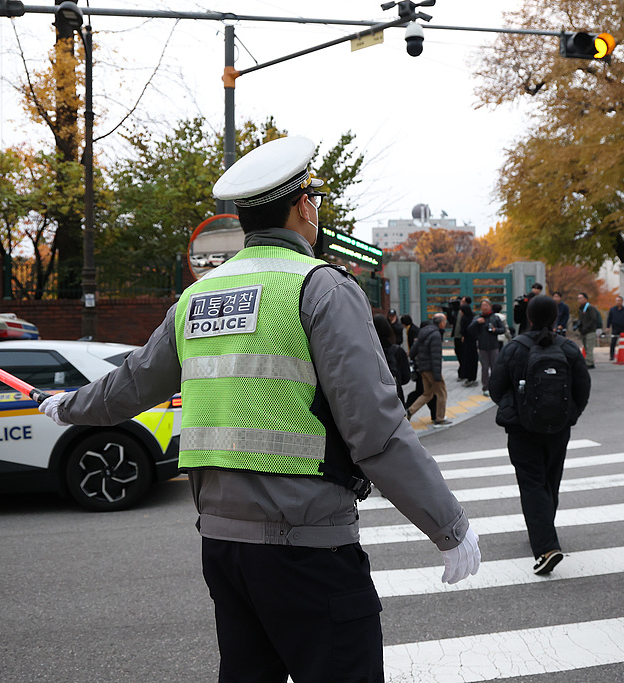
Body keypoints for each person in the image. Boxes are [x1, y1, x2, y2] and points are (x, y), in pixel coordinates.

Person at [37, 136, 479, 681]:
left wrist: (65, 406)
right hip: (310, 549)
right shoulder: (320, 288)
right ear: (303, 207)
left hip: (223, 549)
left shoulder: (200, 295)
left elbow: (128, 386)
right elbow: (377, 430)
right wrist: (449, 526)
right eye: (315, 200)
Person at [489, 295, 590, 575]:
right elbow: (583, 389)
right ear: (557, 317)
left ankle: (546, 546)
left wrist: (519, 407)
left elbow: (495, 388)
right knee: (550, 480)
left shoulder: (514, 348)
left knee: (532, 483)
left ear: (529, 317)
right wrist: (569, 414)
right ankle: (544, 529)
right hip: (559, 428)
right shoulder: (569, 348)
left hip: (522, 429)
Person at [408, 313, 452, 426]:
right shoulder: (436, 335)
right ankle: (440, 418)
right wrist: (437, 375)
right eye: (445, 321)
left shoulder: (424, 332)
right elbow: (436, 356)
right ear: (441, 323)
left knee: (428, 394)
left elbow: (412, 351)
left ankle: (410, 411)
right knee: (442, 393)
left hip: (423, 368)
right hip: (432, 369)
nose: (445, 323)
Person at [465, 298, 504, 396]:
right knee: (484, 368)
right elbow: (469, 329)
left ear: (490, 306)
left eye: (486, 305)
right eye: (483, 305)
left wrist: (495, 330)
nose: (484, 307)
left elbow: (502, 329)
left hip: (494, 345)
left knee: (494, 367)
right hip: (482, 346)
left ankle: (496, 386)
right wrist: (477, 322)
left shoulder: (495, 317)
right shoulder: (478, 318)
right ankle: (485, 387)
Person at [405, 319, 438, 422]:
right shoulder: (431, 338)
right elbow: (435, 357)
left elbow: (412, 353)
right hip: (427, 370)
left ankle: (408, 410)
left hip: (420, 370)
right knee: (429, 394)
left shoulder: (419, 339)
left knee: (425, 393)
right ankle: (409, 410)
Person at [374, 313, 410, 402]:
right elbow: (405, 378)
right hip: (394, 399)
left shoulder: (365, 352)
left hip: (372, 399)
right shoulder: (397, 351)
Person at [575, 292, 603, 369]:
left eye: (581, 298)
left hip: (590, 331)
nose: (579, 300)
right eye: (578, 298)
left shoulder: (590, 308)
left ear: (585, 299)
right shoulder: (581, 309)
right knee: (586, 347)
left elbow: (593, 319)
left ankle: (589, 363)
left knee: (589, 347)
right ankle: (589, 361)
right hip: (584, 331)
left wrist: (586, 327)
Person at [605, 295, 624, 361]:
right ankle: (612, 356)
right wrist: (608, 327)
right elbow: (609, 319)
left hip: (623, 328)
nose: (618, 302)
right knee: (613, 342)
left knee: (622, 342)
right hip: (615, 328)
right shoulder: (612, 310)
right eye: (617, 301)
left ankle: (622, 355)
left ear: (622, 301)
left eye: (619, 301)